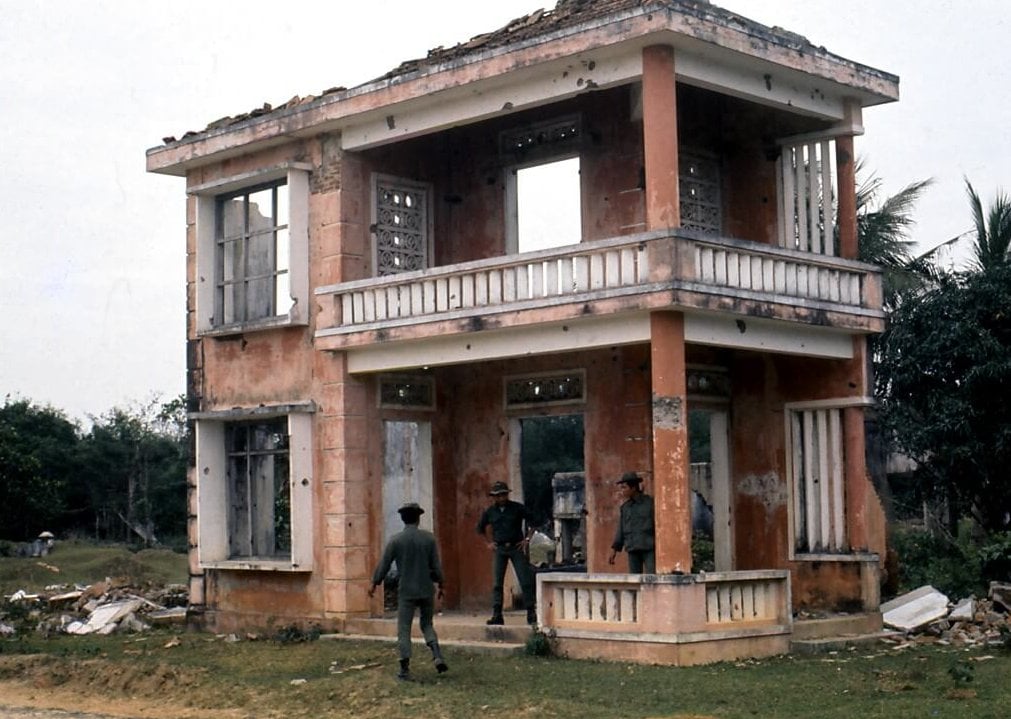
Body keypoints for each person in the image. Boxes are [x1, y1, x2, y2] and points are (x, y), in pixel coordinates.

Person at [368, 502, 448, 681]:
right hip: (426, 588)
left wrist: (375, 582)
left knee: (404, 628)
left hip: (406, 590)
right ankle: (437, 654)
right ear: (418, 519)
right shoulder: (429, 539)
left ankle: (404, 668)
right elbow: (436, 566)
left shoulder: (396, 540)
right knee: (427, 624)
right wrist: (441, 584)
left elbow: (384, 564)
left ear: (403, 519)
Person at [476, 481, 537, 625]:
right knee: (497, 583)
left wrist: (527, 539)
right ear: (493, 497)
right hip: (500, 548)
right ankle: (497, 614)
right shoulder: (490, 511)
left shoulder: (517, 508)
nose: (500, 498)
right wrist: (488, 543)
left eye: (502, 495)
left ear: (507, 495)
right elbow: (480, 528)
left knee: (525, 580)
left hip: (516, 547)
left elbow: (534, 521)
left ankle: (531, 612)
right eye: (497, 496)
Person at [608, 471, 656, 573]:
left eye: (624, 487)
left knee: (651, 576)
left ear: (633, 488)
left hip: (649, 547)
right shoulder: (625, 508)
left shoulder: (650, 503)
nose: (622, 491)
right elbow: (621, 530)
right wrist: (614, 550)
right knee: (634, 578)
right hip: (632, 548)